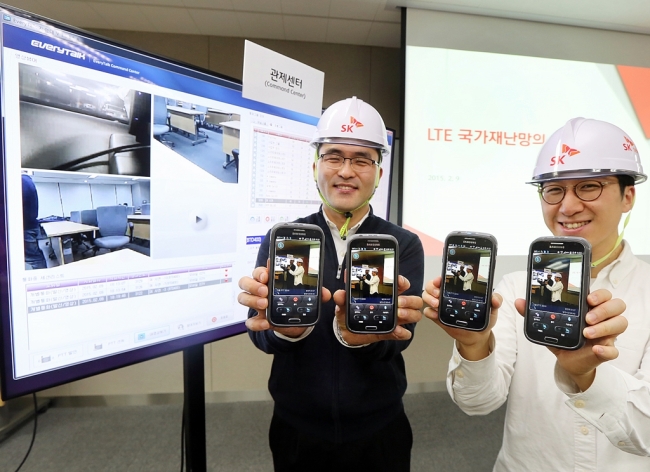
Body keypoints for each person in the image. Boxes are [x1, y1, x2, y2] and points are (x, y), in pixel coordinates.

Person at [423, 117, 650, 471]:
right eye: (554, 189)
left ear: (628, 195)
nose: (568, 206)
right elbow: (478, 402)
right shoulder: (516, 289)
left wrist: (588, 376)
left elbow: (646, 435)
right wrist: (473, 345)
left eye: (588, 187)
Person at [238, 97, 424, 472]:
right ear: (315, 166)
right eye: (334, 156)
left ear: (379, 173)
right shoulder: (285, 240)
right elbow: (260, 335)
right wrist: (286, 332)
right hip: (297, 426)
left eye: (361, 159)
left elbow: (399, 338)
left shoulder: (402, 245)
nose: (346, 171)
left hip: (380, 426)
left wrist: (362, 339)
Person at [22, 174, 47, 270]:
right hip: (31, 224)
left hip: (25, 226)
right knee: (35, 256)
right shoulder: (27, 179)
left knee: (33, 258)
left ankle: (42, 280)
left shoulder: (20, 181)